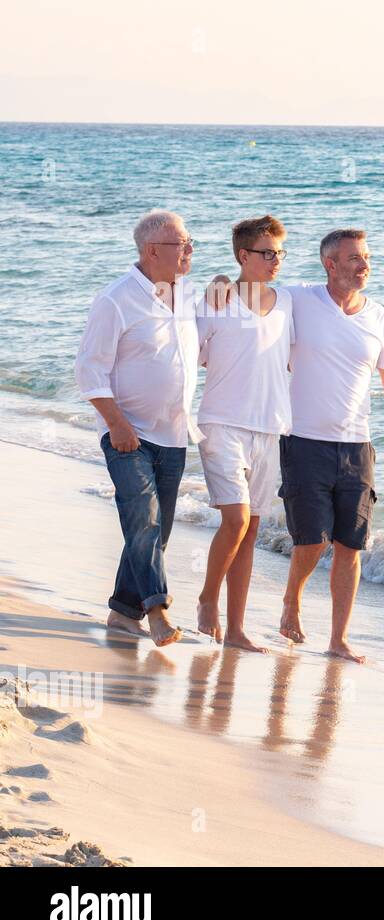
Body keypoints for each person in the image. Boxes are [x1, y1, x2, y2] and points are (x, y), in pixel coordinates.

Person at [212, 228, 384, 663]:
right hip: (302, 439)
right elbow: (253, 288)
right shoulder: (299, 299)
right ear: (330, 264)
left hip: (357, 445)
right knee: (311, 541)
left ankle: (338, 638)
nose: (365, 265)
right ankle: (292, 599)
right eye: (355, 258)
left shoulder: (381, 318)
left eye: (367, 257)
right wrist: (220, 282)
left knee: (351, 544)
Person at [74, 209, 201, 648]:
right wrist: (117, 424)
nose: (189, 250)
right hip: (129, 434)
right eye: (181, 243)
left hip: (175, 433)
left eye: (190, 242)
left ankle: (122, 612)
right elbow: (89, 371)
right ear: (152, 251)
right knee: (143, 520)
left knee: (157, 529)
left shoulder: (186, 295)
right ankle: (157, 610)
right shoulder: (115, 299)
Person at [193, 215, 294, 653]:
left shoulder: (289, 301)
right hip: (222, 424)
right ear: (243, 255)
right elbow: (188, 356)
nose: (275, 261)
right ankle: (206, 600)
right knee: (234, 520)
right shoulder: (215, 301)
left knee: (250, 529)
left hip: (270, 427)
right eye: (267, 253)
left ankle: (236, 629)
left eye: (280, 253)